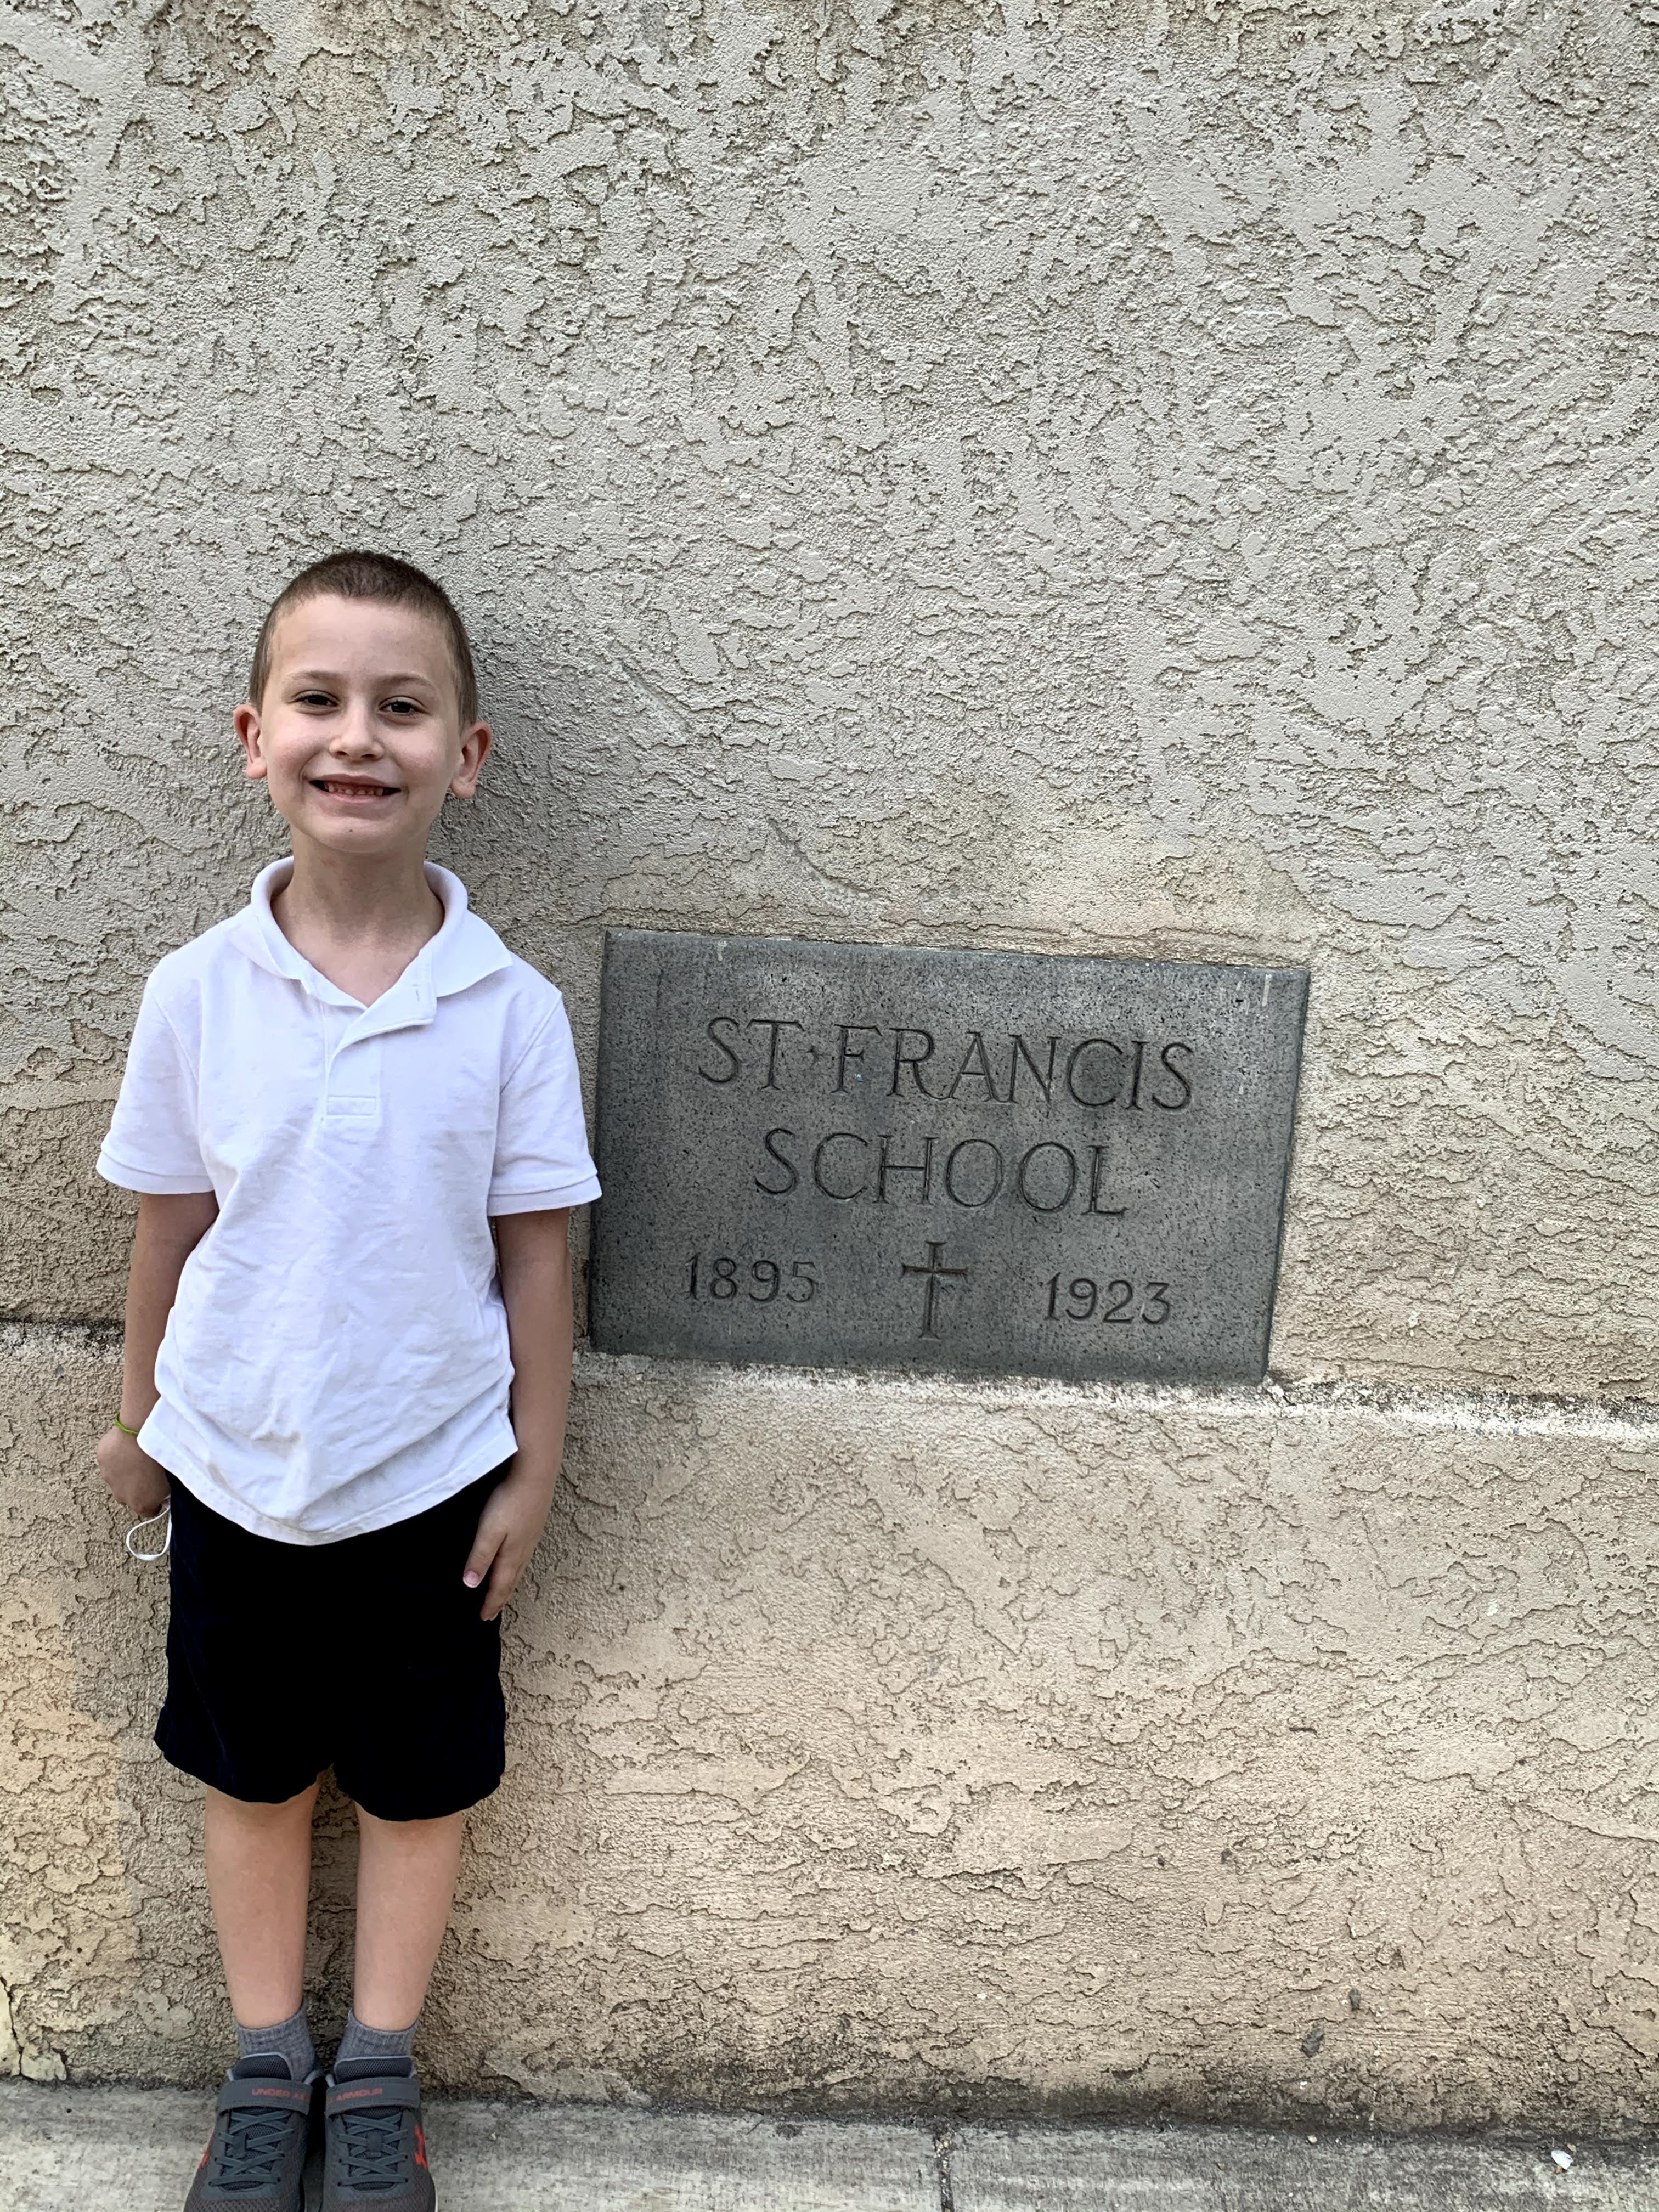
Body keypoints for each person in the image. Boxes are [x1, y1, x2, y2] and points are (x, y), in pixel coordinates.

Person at [93, 550, 601, 2212]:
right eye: (318, 700)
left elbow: (537, 1258)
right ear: (257, 739)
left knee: (416, 1784)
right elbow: (172, 1226)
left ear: (468, 754)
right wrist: (138, 1423)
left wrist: (533, 1469)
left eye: (403, 706)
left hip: (432, 1479)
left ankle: (376, 2072)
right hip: (236, 1467)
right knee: (251, 1777)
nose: (358, 737)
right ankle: (266, 2066)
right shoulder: (197, 991)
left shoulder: (508, 1010)